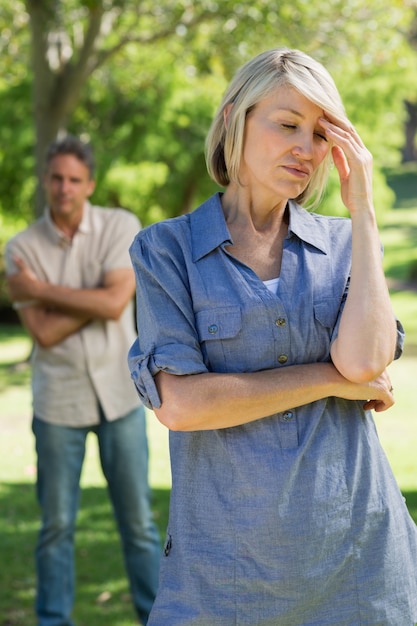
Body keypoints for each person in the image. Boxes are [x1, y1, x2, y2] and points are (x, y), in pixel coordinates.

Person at [127, 48, 417, 625]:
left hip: (360, 568)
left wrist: (363, 211)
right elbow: (182, 405)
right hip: (221, 580)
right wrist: (329, 381)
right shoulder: (167, 251)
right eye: (287, 125)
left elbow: (365, 361)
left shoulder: (343, 246)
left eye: (319, 133)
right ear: (235, 119)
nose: (305, 149)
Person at [5, 135, 161, 626]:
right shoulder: (20, 248)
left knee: (138, 525)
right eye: (56, 178)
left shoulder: (121, 226)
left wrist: (43, 291)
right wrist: (95, 295)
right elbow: (45, 333)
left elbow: (116, 305)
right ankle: (54, 621)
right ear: (45, 181)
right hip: (57, 404)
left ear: (89, 184)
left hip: (120, 396)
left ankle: (158, 617)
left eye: (74, 179)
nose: (64, 188)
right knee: (55, 527)